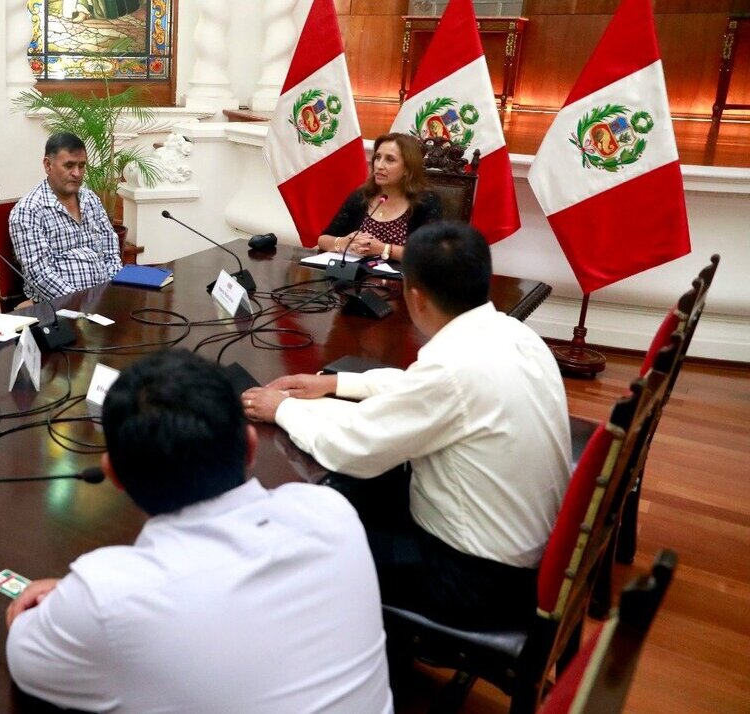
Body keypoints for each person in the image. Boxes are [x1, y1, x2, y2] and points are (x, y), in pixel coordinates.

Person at [6, 349, 392, 713]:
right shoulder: (332, 513)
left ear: (114, 476)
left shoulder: (108, 597)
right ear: (251, 447)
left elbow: (26, 655)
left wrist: (72, 608)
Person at [242, 222, 572, 631]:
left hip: (476, 580)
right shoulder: (513, 334)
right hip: (524, 551)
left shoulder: (453, 369)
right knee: (367, 496)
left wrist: (282, 409)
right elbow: (424, 390)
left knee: (309, 549)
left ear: (414, 296)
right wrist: (336, 383)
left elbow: (353, 450)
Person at [10, 132, 122, 303]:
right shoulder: (28, 211)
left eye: (82, 166)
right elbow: (39, 275)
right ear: (48, 165)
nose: (77, 173)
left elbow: (111, 252)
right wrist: (82, 302)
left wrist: (112, 292)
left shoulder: (90, 199)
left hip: (103, 300)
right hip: (60, 309)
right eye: (69, 165)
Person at [318, 132, 442, 262]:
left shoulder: (426, 201)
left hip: (400, 279)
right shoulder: (362, 195)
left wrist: (384, 249)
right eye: (377, 157)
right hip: (355, 276)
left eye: (390, 159)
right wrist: (343, 243)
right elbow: (323, 239)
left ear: (407, 168)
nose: (379, 165)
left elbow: (430, 255)